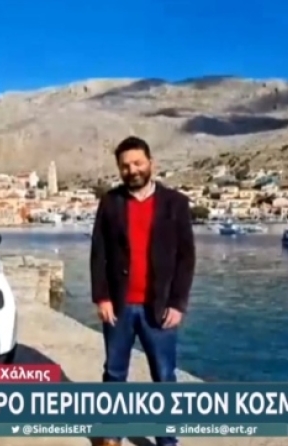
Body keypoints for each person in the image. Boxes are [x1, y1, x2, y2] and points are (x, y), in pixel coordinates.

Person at [90, 136, 195, 446]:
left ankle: (167, 440)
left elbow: (186, 257)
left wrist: (178, 303)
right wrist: (102, 297)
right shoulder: (110, 202)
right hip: (119, 307)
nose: (132, 170)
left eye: (137, 163)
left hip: (159, 307)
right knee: (114, 373)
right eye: (125, 166)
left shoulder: (175, 203)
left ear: (151, 163)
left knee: (164, 376)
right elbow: (99, 253)